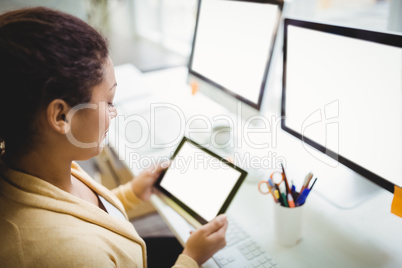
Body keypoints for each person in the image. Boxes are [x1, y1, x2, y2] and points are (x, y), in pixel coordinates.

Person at [0, 7, 228, 268]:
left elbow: (84, 213)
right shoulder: (72, 255)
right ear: (62, 116)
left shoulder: (38, 166)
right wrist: (191, 259)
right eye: (109, 101)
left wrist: (131, 193)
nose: (114, 112)